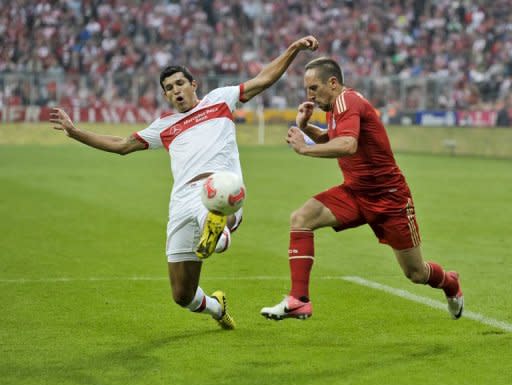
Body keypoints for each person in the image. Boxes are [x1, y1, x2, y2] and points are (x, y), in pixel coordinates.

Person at [50, 36, 319, 330]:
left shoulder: (221, 99)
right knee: (182, 295)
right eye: (169, 88)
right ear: (166, 96)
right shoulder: (163, 127)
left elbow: (263, 79)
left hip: (220, 186)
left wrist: (293, 49)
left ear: (194, 85)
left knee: (218, 208)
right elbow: (121, 144)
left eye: (180, 84)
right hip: (181, 202)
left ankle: (219, 234)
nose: (175, 91)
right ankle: (217, 306)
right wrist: (76, 133)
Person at [260, 57, 463, 321]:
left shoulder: (348, 101)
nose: (309, 95)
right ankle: (299, 300)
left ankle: (450, 283)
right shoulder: (335, 106)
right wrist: (304, 127)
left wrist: (304, 148)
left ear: (332, 83)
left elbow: (347, 146)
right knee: (301, 218)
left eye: (313, 88)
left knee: (416, 273)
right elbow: (333, 138)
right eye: (307, 89)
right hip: (355, 193)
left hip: (390, 199)